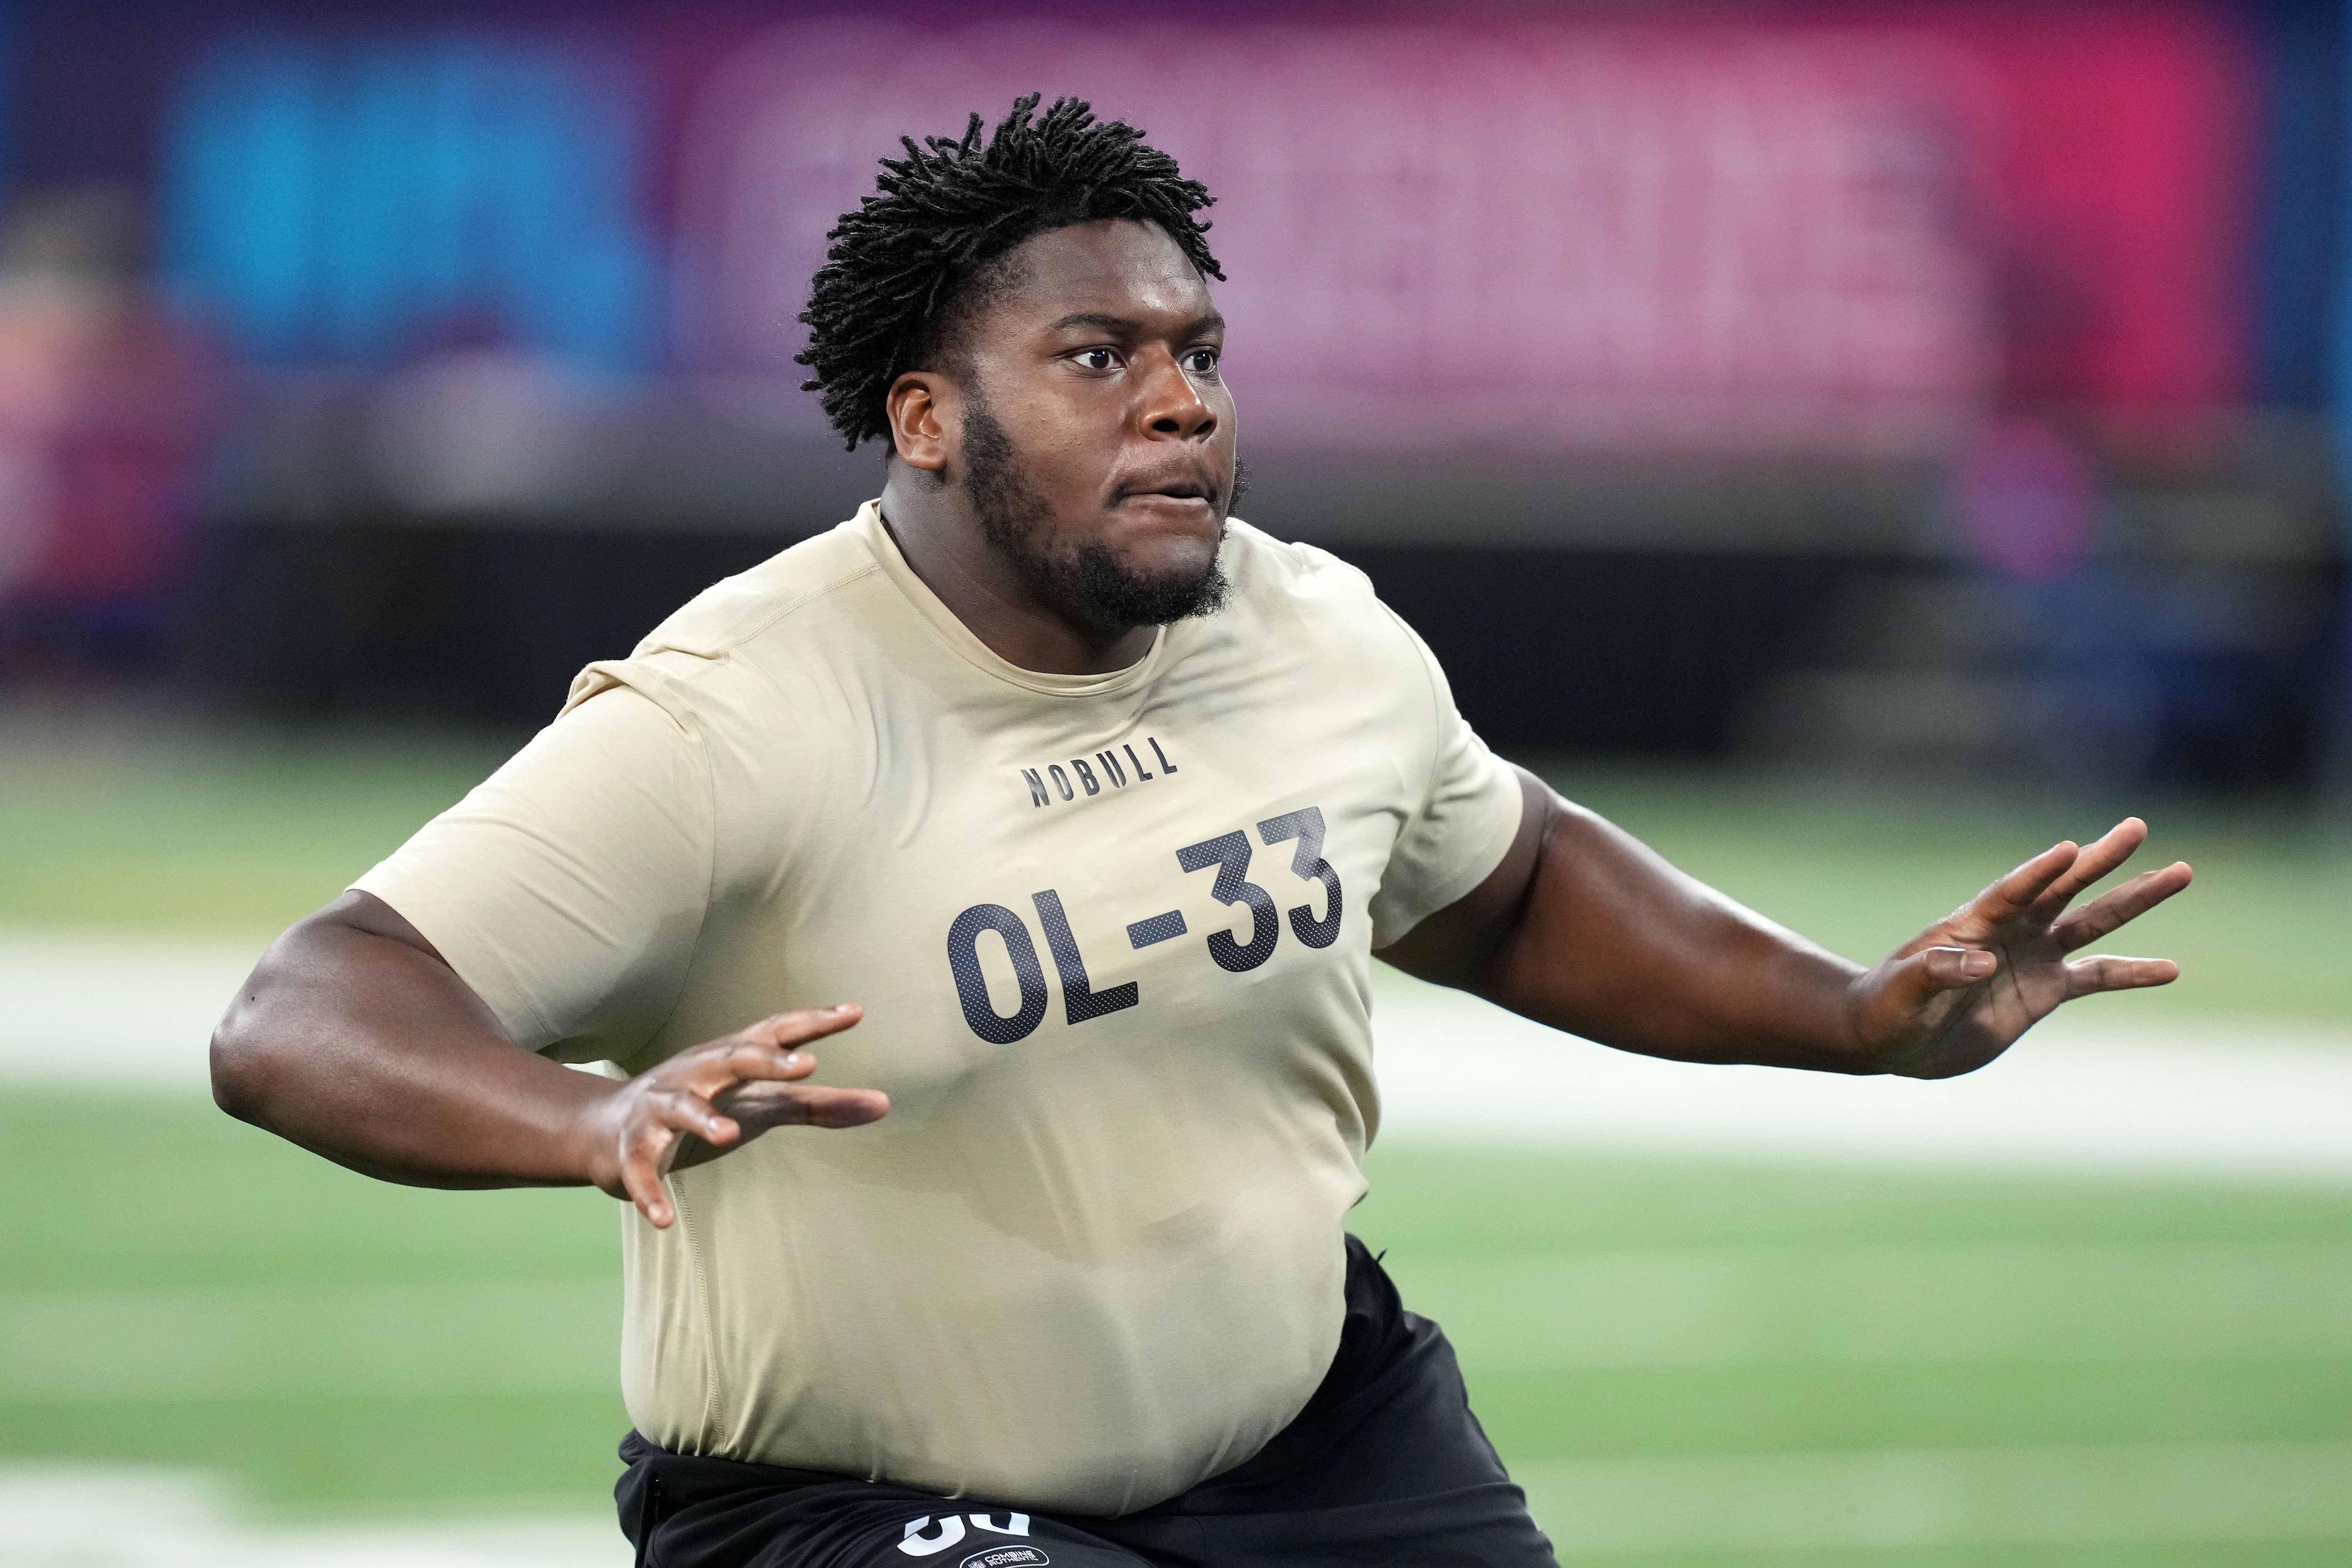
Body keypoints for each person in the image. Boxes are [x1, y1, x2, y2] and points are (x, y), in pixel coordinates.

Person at [211, 96, 2191, 1568]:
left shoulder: (1307, 625)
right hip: (847, 1507)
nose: (1181, 407)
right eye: (1100, 360)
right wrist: (580, 1120)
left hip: (1321, 1450)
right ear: (923, 417)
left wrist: (1850, 1012)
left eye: (1198, 356)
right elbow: (304, 1007)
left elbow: (1505, 885)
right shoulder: (746, 709)